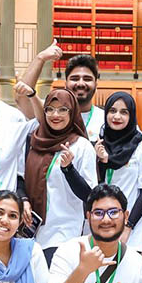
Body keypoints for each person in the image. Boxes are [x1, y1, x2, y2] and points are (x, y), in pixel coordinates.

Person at [21, 88, 98, 256]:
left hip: (65, 231)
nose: (55, 115)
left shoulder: (81, 146)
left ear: (72, 112)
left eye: (63, 109)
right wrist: (24, 200)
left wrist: (68, 169)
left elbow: (89, 195)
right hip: (31, 230)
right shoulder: (34, 141)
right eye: (50, 109)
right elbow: (20, 177)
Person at [94, 91, 142, 255]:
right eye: (112, 111)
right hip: (103, 222)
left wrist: (128, 227)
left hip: (132, 227)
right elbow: (95, 186)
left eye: (124, 112)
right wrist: (101, 161)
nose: (117, 116)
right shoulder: (99, 144)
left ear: (132, 116)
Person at [65, 54, 104, 140]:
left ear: (96, 84)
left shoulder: (106, 119)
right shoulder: (53, 117)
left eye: (87, 79)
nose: (81, 84)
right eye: (75, 79)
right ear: (66, 83)